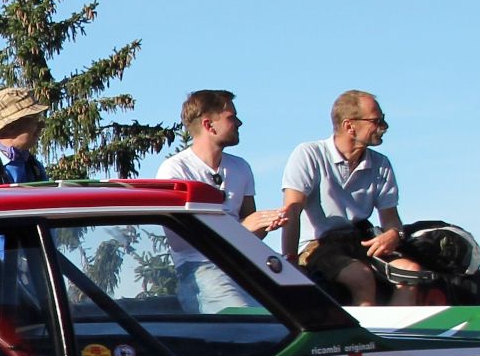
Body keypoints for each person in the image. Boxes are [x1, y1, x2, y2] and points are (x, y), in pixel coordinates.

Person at [278, 90, 424, 305]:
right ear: (349, 125)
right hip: (317, 246)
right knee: (361, 276)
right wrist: (289, 260)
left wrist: (394, 234)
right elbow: (292, 209)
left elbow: (390, 217)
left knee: (411, 273)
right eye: (377, 121)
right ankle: (364, 338)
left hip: (359, 240)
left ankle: (392, 335)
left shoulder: (380, 163)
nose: (384, 127)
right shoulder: (309, 154)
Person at [154, 90, 286, 311]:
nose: (239, 123)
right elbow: (178, 241)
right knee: (246, 322)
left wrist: (264, 224)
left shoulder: (240, 167)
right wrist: (242, 229)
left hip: (244, 266)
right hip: (201, 268)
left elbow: (250, 231)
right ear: (208, 124)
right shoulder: (175, 170)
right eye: (231, 117)